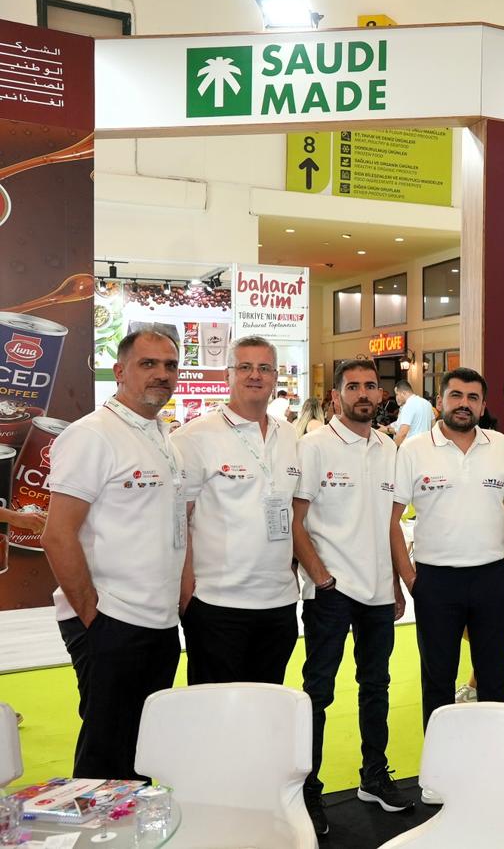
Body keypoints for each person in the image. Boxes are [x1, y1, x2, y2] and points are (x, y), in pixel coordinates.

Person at [41, 329, 184, 779]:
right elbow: (57, 535)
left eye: (170, 365)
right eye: (148, 364)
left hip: (158, 621)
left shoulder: (162, 435)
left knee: (143, 748)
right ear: (119, 371)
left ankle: (136, 820)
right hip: (112, 620)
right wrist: (94, 618)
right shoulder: (92, 435)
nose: (162, 374)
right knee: (106, 752)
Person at [292, 358, 412, 834]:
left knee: (376, 686)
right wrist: (320, 576)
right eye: (354, 386)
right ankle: (308, 789)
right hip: (330, 592)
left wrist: (395, 583)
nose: (364, 393)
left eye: (370, 386)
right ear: (336, 395)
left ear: (381, 394)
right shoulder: (314, 446)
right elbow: (295, 519)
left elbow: (388, 524)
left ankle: (373, 776)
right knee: (318, 691)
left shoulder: (388, 447)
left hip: (378, 590)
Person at [391, 367, 504, 803]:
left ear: (483, 405)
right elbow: (391, 518)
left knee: (494, 679)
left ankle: (493, 767)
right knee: (438, 681)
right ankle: (440, 772)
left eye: (473, 397)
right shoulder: (413, 449)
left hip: (491, 578)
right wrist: (410, 579)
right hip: (436, 581)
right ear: (439, 402)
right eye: (456, 396)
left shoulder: (499, 446)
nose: (464, 404)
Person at [171, 336, 300, 686]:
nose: (255, 375)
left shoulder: (289, 435)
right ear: (227, 374)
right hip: (217, 602)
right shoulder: (194, 437)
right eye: (244, 367)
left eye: (264, 368)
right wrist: (186, 588)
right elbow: (178, 518)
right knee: (215, 707)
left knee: (267, 703)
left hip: (279, 602)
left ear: (275, 377)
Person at [391, 379, 434, 447]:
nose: (396, 397)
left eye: (397, 394)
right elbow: (433, 426)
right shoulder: (427, 403)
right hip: (426, 446)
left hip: (411, 449)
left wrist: (393, 449)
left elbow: (403, 433)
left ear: (403, 393)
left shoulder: (408, 405)